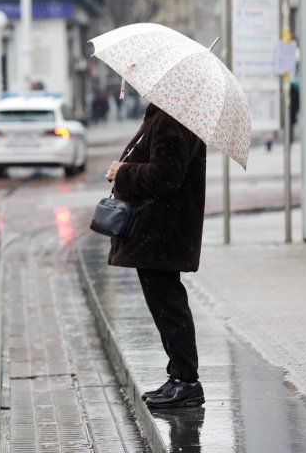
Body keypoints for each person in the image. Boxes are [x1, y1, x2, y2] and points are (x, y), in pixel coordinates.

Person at [105, 102, 206, 409]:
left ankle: (186, 381)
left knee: (169, 305)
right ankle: (179, 378)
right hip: (160, 230)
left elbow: (166, 176)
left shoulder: (170, 119)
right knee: (165, 304)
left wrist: (123, 172)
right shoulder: (169, 115)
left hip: (161, 230)